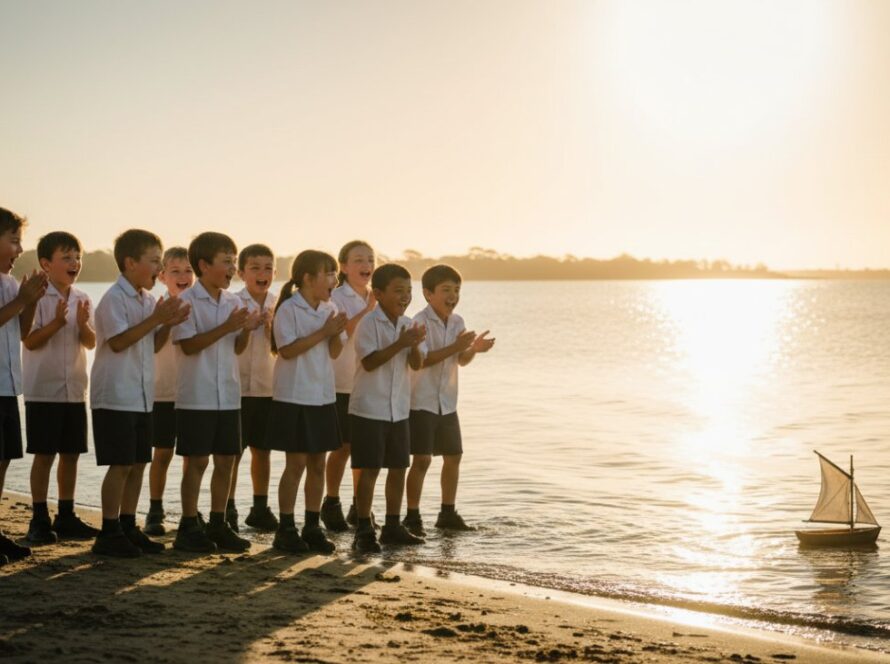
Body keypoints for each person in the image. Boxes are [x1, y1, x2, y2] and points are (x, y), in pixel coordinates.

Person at [90, 229, 189, 557]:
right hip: (115, 394)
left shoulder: (148, 300)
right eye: (154, 262)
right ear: (130, 263)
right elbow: (118, 342)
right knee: (119, 465)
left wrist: (168, 323)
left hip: (141, 395)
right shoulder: (113, 299)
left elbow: (153, 343)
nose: (159, 269)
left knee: (137, 464)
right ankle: (108, 530)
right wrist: (157, 319)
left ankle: (129, 526)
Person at [171, 232, 259, 554]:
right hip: (197, 394)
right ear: (204, 265)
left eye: (234, 261)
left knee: (226, 461)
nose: (232, 268)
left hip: (228, 394)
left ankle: (219, 523)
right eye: (227, 262)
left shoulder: (234, 301)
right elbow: (190, 346)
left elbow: (236, 347)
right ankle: (188, 525)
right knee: (196, 463)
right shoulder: (186, 302)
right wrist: (227, 326)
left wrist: (246, 330)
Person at [403, 265, 495, 536]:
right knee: (422, 460)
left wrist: (474, 350)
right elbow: (423, 361)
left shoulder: (458, 322)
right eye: (446, 290)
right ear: (428, 294)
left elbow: (461, 360)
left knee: (454, 456)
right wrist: (456, 347)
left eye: (457, 290)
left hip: (448, 402)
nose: (453, 295)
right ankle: (412, 516)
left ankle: (447, 512)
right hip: (421, 401)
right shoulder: (418, 322)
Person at [266, 250, 346, 554]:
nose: (334, 280)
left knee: (318, 464)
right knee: (296, 463)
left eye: (335, 274)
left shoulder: (330, 307)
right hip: (294, 395)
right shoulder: (288, 308)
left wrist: (336, 333)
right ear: (307, 278)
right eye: (328, 274)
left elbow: (335, 352)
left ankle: (312, 526)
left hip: (322, 395)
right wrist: (324, 331)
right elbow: (286, 349)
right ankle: (286, 528)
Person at [23, 231, 99, 544]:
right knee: (44, 455)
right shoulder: (37, 296)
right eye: (66, 257)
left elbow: (91, 342)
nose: (74, 263)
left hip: (75, 389)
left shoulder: (83, 298)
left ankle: (66, 515)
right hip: (44, 388)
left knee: (71, 454)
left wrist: (82, 325)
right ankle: (39, 518)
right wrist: (56, 323)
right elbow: (29, 340)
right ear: (45, 263)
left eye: (77, 257)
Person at [349, 263, 426, 553]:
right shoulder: (368, 323)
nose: (405, 297)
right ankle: (364, 528)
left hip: (399, 408)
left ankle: (393, 526)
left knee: (397, 468)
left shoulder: (408, 324)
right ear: (378, 293)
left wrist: (415, 345)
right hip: (369, 407)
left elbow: (416, 365)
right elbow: (369, 362)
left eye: (408, 291)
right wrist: (401, 343)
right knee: (369, 470)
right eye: (398, 291)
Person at [0, 207, 46, 564]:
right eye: (13, 240)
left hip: (7, 385)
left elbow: (23, 332)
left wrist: (31, 302)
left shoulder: (11, 283)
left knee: (3, 461)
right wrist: (22, 300)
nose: (19, 249)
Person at [321, 240, 376, 531]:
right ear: (343, 266)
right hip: (341, 382)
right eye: (358, 260)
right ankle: (331, 502)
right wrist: (368, 310)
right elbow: (342, 333)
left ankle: (360, 506)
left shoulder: (375, 296)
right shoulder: (337, 297)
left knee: (364, 448)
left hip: (368, 384)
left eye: (370, 259)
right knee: (342, 447)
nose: (366, 265)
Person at [143, 247, 194, 536]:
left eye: (188, 271)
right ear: (162, 276)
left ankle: (190, 509)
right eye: (175, 271)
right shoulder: (154, 306)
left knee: (193, 455)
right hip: (162, 391)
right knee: (162, 453)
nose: (183, 276)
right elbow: (152, 346)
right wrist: (167, 321)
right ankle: (155, 508)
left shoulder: (200, 305)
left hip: (192, 392)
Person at [229, 244, 278, 533]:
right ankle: (228, 506)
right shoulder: (232, 302)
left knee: (263, 450)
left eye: (268, 268)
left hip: (267, 388)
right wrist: (247, 327)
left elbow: (283, 350)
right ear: (241, 272)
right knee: (233, 452)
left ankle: (260, 507)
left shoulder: (279, 303)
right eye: (255, 268)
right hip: (236, 389)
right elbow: (231, 349)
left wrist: (272, 330)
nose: (263, 274)